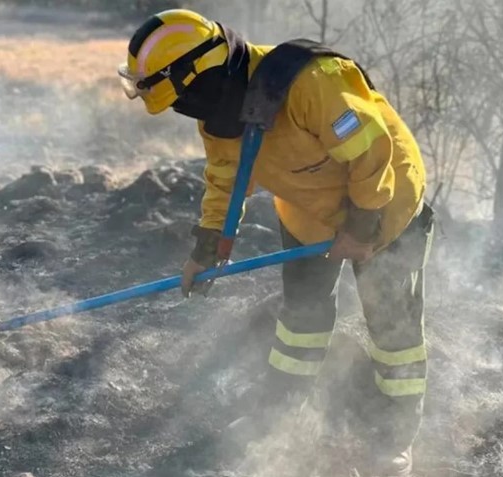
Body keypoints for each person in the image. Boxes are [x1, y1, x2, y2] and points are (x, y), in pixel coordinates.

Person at [118, 9, 434, 477]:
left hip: (384, 201)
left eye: (180, 100)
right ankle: (281, 411)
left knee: (393, 330)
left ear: (201, 79)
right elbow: (226, 178)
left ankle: (392, 443)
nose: (183, 111)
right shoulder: (219, 114)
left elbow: (372, 154)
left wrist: (364, 224)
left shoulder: (314, 82)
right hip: (310, 211)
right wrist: (208, 246)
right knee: (301, 318)